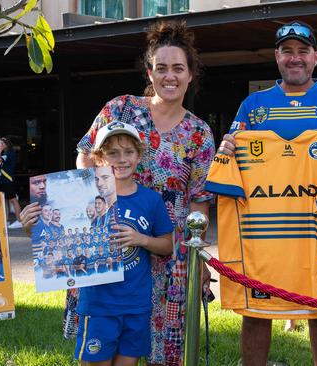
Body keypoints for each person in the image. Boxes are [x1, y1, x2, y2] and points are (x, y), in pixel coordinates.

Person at [37, 20, 214, 365]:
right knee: (103, 342)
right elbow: (86, 154)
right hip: (109, 243)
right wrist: (90, 213)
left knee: (161, 345)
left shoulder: (199, 132)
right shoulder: (120, 109)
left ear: (191, 74)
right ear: (149, 72)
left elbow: (199, 202)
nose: (170, 76)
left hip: (167, 250)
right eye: (161, 68)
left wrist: (197, 258)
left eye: (178, 68)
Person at [216, 20, 317, 365]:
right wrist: (226, 147)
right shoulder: (253, 106)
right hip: (263, 227)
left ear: (316, 57)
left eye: (302, 51)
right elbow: (230, 156)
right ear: (277, 57)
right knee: (256, 311)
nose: (294, 58)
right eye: (287, 51)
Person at [74, 121, 173, 365]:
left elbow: (168, 245)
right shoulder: (86, 198)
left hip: (136, 304)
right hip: (98, 304)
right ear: (98, 158)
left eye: (129, 152)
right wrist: (29, 225)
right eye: (112, 153)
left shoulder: (150, 200)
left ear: (139, 155)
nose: (122, 159)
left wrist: (141, 239)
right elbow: (61, 242)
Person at [0, 137, 22, 228]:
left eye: (1, 143)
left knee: (13, 200)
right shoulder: (6, 153)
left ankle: (19, 220)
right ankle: (5, 221)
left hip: (7, 181)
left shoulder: (8, 153)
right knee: (4, 201)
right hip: (3, 181)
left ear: (6, 145)